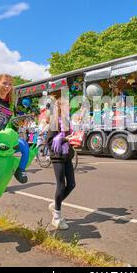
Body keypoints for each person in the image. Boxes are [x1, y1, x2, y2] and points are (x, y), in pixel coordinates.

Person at [47, 98, 76, 230]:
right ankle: (57, 217)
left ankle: (55, 204)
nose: (69, 107)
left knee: (71, 184)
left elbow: (70, 138)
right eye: (66, 105)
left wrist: (75, 140)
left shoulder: (67, 122)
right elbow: (50, 141)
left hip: (67, 156)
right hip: (57, 156)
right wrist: (65, 139)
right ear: (59, 107)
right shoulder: (54, 121)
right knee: (61, 184)